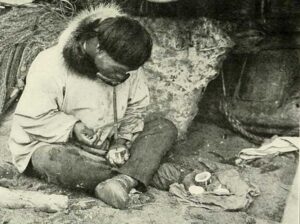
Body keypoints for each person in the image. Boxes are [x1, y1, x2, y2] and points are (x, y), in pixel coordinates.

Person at [8, 4, 177, 209]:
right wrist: (74, 128)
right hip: (60, 145)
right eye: (117, 71)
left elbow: (135, 108)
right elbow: (31, 118)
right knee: (49, 159)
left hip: (108, 146)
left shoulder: (127, 67)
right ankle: (137, 174)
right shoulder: (50, 64)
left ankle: (121, 181)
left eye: (127, 74)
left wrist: (121, 141)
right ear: (98, 47)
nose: (122, 78)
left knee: (164, 127)